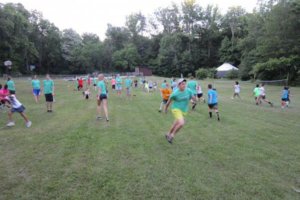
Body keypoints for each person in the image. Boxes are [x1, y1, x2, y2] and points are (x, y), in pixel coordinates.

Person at [164, 78, 197, 144]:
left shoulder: (188, 90)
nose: (184, 85)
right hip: (176, 109)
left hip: (184, 110)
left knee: (175, 124)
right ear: (178, 85)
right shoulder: (175, 93)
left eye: (185, 84)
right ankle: (172, 136)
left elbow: (192, 97)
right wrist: (165, 109)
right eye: (182, 84)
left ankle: (168, 134)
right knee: (181, 123)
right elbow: (168, 102)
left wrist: (194, 100)